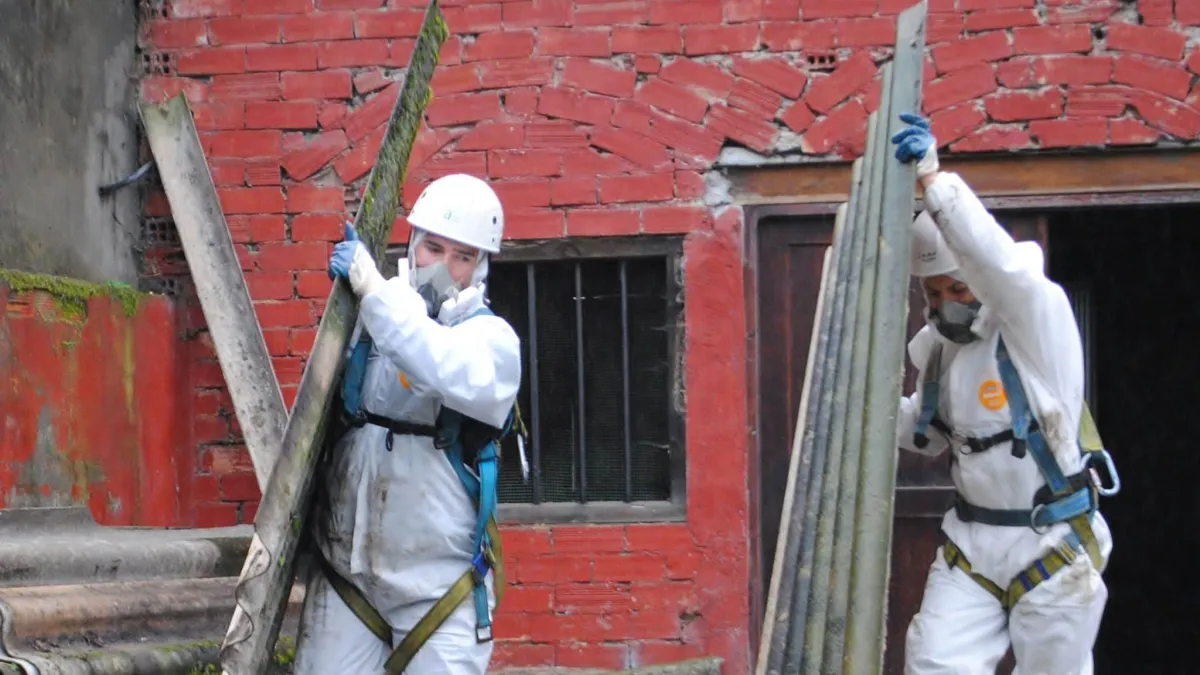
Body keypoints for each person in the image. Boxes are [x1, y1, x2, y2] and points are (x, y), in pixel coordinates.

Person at [891, 113, 1118, 675]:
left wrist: (935, 183)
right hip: (972, 544)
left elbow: (996, 264)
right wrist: (867, 410)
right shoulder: (938, 351)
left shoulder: (1033, 319)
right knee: (935, 663)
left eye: (957, 287)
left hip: (1053, 542)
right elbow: (925, 436)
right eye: (934, 292)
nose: (946, 302)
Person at [293, 173, 522, 675]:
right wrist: (366, 297)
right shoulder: (372, 316)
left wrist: (373, 289)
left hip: (439, 587)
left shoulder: (492, 344)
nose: (443, 267)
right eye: (433, 248)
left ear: (481, 266)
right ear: (413, 242)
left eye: (462, 257)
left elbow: (431, 358)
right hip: (347, 575)